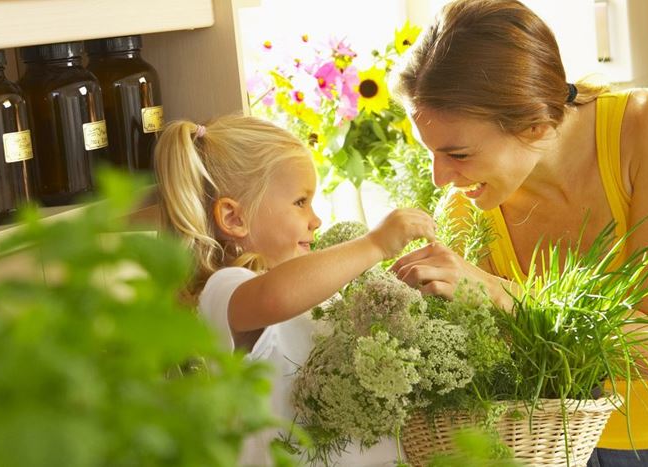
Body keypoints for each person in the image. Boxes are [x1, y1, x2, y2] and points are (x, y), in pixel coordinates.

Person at [388, 0, 648, 465]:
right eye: (430, 152)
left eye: (459, 153)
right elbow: (510, 365)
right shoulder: (468, 208)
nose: (439, 177)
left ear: (533, 123)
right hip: (579, 451)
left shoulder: (647, 123)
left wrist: (494, 292)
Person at [152, 115, 435, 465]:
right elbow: (276, 297)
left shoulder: (310, 289)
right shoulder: (223, 290)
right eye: (301, 202)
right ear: (233, 218)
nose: (315, 219)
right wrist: (375, 244)